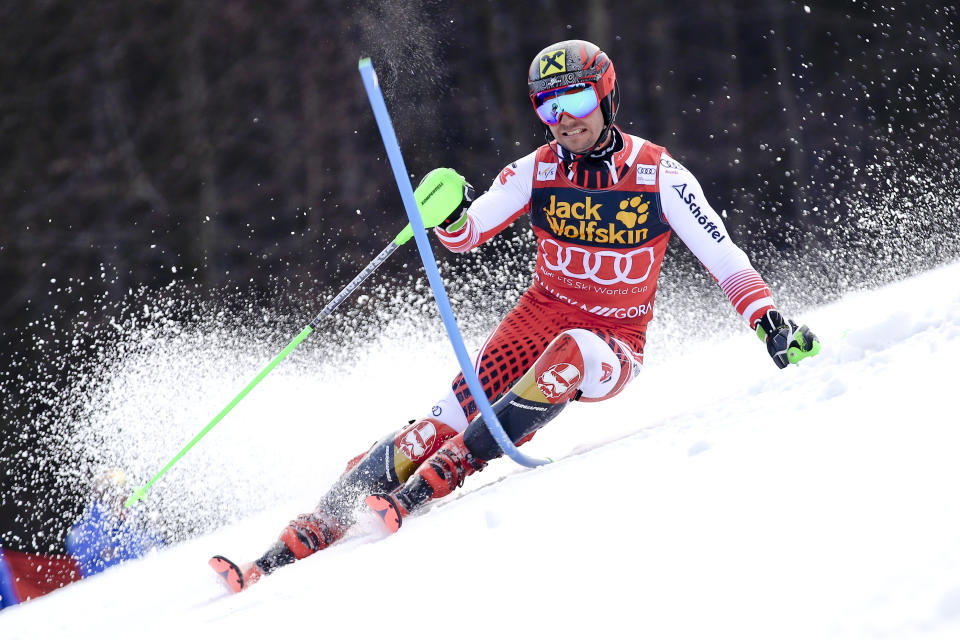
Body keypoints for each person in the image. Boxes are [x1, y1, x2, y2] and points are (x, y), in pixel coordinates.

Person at [209, 39, 820, 592]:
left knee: (574, 351)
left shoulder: (659, 175)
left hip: (613, 338)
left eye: (577, 100)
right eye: (549, 108)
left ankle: (436, 481)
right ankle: (296, 539)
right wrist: (448, 215)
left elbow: (723, 255)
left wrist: (768, 322)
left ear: (605, 96)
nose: (566, 120)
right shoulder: (538, 169)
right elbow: (470, 230)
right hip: (533, 321)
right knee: (434, 423)